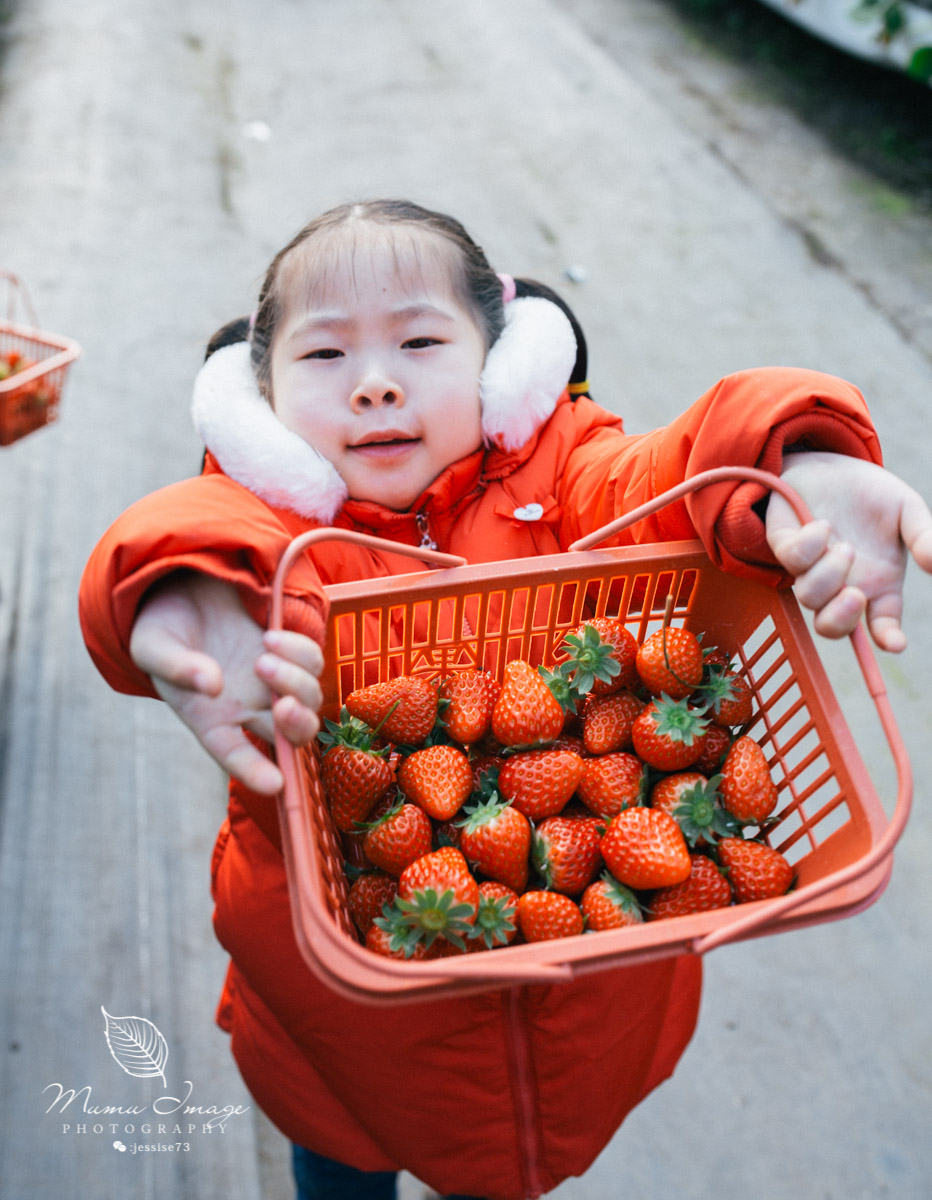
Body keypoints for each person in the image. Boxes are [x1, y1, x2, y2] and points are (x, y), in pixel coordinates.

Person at [79, 199, 932, 1200]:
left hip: (587, 1000)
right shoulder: (260, 527)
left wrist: (792, 466)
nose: (376, 381)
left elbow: (673, 466)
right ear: (261, 399)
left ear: (492, 363)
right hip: (343, 1022)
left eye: (420, 339)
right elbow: (187, 530)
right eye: (323, 358)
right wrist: (181, 588)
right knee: (341, 1161)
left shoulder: (566, 472)